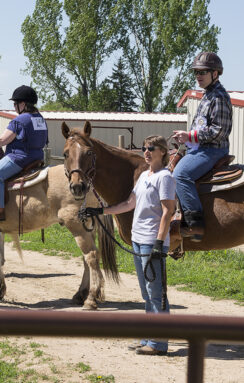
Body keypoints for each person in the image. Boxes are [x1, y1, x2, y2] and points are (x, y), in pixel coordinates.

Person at [85, 135, 176, 356]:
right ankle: (149, 337)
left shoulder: (165, 177)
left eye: (151, 148)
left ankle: (159, 343)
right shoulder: (145, 175)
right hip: (138, 239)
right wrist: (101, 211)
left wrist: (158, 241)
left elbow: (168, 211)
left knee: (156, 293)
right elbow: (129, 203)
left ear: (162, 152)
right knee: (146, 293)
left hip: (151, 242)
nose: (146, 151)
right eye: (144, 148)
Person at [172, 52, 232, 241]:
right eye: (196, 72)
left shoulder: (219, 97)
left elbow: (219, 131)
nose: (198, 76)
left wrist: (189, 136)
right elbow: (201, 126)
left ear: (215, 73)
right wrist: (186, 141)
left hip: (212, 150)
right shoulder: (207, 95)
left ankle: (194, 223)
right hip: (199, 149)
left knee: (180, 174)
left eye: (203, 72)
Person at [0, 85, 48, 227]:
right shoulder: (40, 119)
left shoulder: (20, 120)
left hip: (20, 158)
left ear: (23, 103)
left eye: (15, 103)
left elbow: (3, 140)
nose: (14, 106)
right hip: (37, 157)